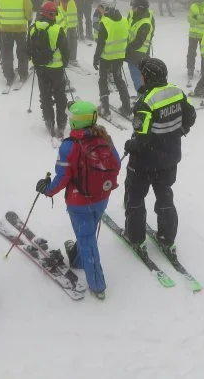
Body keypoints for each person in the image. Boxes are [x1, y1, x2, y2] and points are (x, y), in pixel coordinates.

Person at [37, 101, 121, 300]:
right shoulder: (105, 139)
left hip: (79, 202)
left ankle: (97, 285)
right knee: (89, 232)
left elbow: (62, 178)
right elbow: (116, 164)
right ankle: (76, 258)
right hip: (102, 197)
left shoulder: (69, 146)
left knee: (87, 241)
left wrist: (47, 190)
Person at [123, 58, 196, 257]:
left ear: (147, 77)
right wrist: (175, 134)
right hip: (170, 158)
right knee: (165, 196)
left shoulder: (145, 103)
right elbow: (191, 116)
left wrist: (130, 145)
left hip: (144, 162)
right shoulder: (177, 92)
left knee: (135, 198)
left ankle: (135, 237)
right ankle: (167, 238)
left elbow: (141, 138)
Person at [28, 1, 71, 136]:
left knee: (45, 96)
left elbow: (28, 48)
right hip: (56, 69)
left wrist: (34, 62)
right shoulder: (57, 29)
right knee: (60, 96)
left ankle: (49, 121)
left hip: (40, 68)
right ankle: (62, 123)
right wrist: (64, 63)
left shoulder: (33, 28)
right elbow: (66, 50)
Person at [93, 0, 132, 119]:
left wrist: (96, 58)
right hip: (119, 56)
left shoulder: (105, 22)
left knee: (103, 80)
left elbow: (100, 44)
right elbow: (127, 38)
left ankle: (105, 109)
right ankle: (127, 107)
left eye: (102, 8)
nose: (101, 10)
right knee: (119, 79)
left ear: (107, 8)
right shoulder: (124, 20)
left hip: (106, 57)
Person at [126, 0, 155, 92]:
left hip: (138, 55)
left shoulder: (145, 23)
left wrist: (127, 49)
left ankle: (142, 98)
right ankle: (143, 97)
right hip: (135, 53)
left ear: (140, 8)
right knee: (139, 77)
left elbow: (138, 42)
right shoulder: (137, 19)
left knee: (137, 78)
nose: (132, 9)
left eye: (134, 7)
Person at [185, 0, 204, 82]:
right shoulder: (193, 6)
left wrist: (196, 17)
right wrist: (201, 19)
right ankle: (190, 69)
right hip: (192, 34)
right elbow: (189, 18)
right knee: (191, 53)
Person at [56, 0, 79, 65]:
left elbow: (75, 14)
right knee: (66, 44)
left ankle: (73, 59)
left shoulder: (72, 2)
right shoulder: (58, 2)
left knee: (74, 43)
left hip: (72, 26)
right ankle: (65, 58)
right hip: (63, 27)